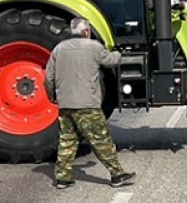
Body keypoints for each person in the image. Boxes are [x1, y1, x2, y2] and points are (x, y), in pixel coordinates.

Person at [44, 17, 134, 189]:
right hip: (87, 105)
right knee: (100, 140)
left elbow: (49, 77)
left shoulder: (59, 49)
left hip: (66, 105)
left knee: (67, 140)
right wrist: (120, 52)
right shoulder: (94, 47)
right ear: (86, 31)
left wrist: (52, 96)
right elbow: (110, 61)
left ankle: (63, 178)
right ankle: (117, 175)